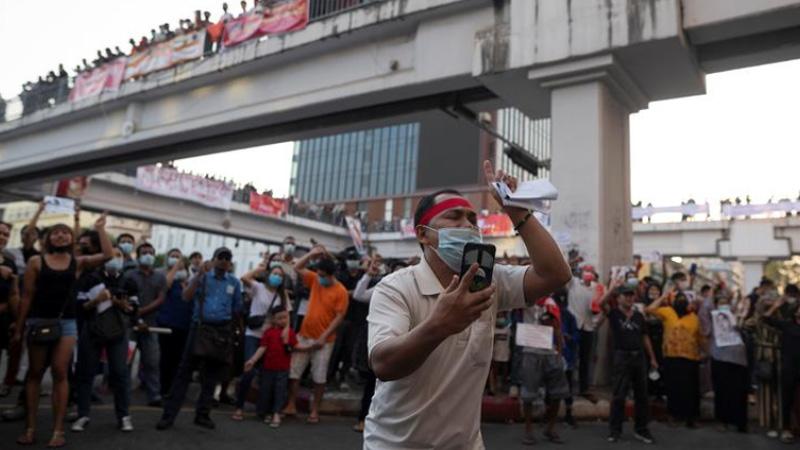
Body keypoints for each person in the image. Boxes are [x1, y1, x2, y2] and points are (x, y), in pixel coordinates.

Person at [363, 161, 571, 449]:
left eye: (472, 219)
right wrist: (439, 325)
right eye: (454, 217)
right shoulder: (395, 288)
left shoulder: (489, 280)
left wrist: (516, 211)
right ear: (423, 234)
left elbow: (555, 274)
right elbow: (383, 364)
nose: (468, 225)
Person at [12, 214, 113, 447]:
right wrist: (19, 327)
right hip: (38, 321)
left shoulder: (78, 262)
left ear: (71, 238)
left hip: (66, 323)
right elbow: (26, 297)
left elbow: (107, 255)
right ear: (48, 238)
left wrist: (100, 229)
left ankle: (57, 431)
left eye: (65, 232)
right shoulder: (36, 261)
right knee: (35, 373)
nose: (61, 235)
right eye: (56, 232)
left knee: (60, 371)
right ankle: (30, 428)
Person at [156, 247, 243, 431]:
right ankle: (168, 416)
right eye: (220, 257)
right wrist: (198, 276)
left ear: (230, 263)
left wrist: (232, 333)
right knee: (184, 372)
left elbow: (237, 308)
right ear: (213, 259)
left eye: (227, 258)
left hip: (221, 331)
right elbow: (186, 297)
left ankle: (202, 415)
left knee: (211, 376)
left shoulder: (234, 283)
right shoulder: (202, 277)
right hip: (199, 328)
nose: (224, 261)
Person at [72, 247, 138, 433]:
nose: (114, 259)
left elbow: (134, 309)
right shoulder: (91, 278)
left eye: (119, 256)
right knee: (85, 373)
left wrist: (121, 304)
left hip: (118, 333)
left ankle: (123, 416)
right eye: (111, 256)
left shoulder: (128, 281)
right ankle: (83, 414)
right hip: (92, 331)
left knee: (120, 373)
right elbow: (79, 308)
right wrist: (97, 300)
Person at [283, 248, 349, 424]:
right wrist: (311, 254)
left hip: (325, 341)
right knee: (294, 372)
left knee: (319, 377)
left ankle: (314, 410)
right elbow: (297, 267)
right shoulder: (315, 280)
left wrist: (323, 337)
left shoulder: (341, 291)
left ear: (331, 275)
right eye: (318, 274)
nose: (320, 277)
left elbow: (339, 317)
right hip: (304, 334)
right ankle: (291, 404)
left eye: (323, 275)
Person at [232, 261, 290, 421]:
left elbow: (287, 314)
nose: (277, 277)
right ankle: (239, 406)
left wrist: (286, 329)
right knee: (249, 370)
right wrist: (260, 269)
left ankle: (264, 410)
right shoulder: (259, 287)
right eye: (275, 273)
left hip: (271, 337)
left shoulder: (282, 295)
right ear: (269, 275)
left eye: (280, 275)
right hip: (253, 334)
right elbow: (244, 278)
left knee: (268, 374)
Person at [601, 280, 657, 444]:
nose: (629, 298)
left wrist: (652, 358)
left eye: (631, 295)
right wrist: (612, 289)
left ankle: (641, 430)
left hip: (639, 357)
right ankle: (615, 430)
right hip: (622, 357)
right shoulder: (614, 314)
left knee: (642, 396)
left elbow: (645, 337)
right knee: (619, 395)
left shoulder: (639, 316)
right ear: (618, 298)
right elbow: (601, 303)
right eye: (626, 295)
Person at [645, 289, 704, 428]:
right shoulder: (668, 312)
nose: (681, 302)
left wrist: (704, 353)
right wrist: (663, 297)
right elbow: (649, 309)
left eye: (684, 300)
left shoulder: (694, 318)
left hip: (690, 358)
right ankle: (674, 415)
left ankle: (691, 418)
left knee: (690, 390)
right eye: (678, 299)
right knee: (673, 388)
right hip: (671, 357)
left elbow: (700, 338)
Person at [519, 295, 570, 445]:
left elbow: (557, 327)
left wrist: (559, 352)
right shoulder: (526, 299)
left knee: (558, 392)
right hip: (530, 350)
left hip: (550, 352)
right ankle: (528, 430)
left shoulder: (551, 303)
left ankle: (550, 428)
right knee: (528, 393)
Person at [243, 305, 304, 428]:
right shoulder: (269, 333)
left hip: (283, 369)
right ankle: (265, 412)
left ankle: (276, 413)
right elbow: (262, 348)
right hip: (268, 368)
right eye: (279, 318)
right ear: (273, 319)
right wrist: (252, 360)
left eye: (285, 317)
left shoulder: (290, 333)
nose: (283, 320)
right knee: (265, 391)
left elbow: (296, 346)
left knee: (280, 392)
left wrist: (312, 347)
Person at [123, 242, 167, 407]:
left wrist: (141, 311)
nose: (148, 255)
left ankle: (154, 395)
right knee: (126, 361)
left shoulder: (160, 277)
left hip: (150, 326)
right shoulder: (129, 275)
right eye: (144, 252)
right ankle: (123, 394)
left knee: (152, 361)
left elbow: (161, 298)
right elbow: (124, 297)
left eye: (150, 252)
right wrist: (135, 314)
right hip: (129, 325)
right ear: (138, 255)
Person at [700, 287, 748, 433]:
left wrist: (738, 319)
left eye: (726, 302)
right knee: (722, 390)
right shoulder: (712, 316)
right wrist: (712, 295)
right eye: (720, 302)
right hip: (719, 356)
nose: (724, 305)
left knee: (739, 391)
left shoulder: (735, 314)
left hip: (738, 357)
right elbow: (705, 325)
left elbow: (744, 327)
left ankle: (740, 422)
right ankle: (723, 420)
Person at [351, 256, 383, 432]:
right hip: (379, 341)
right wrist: (368, 275)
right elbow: (358, 295)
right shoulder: (384, 287)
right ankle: (363, 418)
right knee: (372, 383)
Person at [763, 295, 800, 443]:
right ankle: (786, 429)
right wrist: (775, 306)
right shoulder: (787, 325)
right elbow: (765, 318)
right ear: (795, 312)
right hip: (789, 368)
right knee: (787, 399)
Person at [156, 249, 193, 397]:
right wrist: (175, 267)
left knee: (178, 360)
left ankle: (174, 390)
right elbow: (165, 285)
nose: (176, 259)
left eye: (178, 257)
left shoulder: (189, 279)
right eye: (173, 256)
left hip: (184, 325)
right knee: (165, 358)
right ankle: (163, 388)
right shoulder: (163, 275)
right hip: (166, 324)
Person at [567, 264, 601, 403]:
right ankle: (568, 388)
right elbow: (565, 271)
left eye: (591, 271)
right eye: (586, 271)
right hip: (573, 326)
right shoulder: (573, 283)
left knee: (585, 359)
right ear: (581, 272)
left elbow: (598, 305)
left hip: (588, 327)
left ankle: (584, 388)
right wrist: (573, 261)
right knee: (570, 358)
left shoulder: (596, 287)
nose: (588, 273)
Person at [0, 221, 20, 398]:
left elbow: (13, 293)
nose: (2, 237)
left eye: (6, 234)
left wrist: (16, 320)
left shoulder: (9, 262)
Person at [553, 288, 578, 427]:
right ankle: (549, 414)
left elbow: (576, 336)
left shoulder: (569, 316)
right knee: (551, 385)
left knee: (568, 386)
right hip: (553, 355)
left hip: (567, 357)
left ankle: (569, 413)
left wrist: (570, 338)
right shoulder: (550, 316)